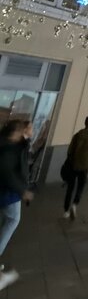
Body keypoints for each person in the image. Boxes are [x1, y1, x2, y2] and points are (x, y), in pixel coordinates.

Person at [0, 120, 33, 289]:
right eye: (27, 129)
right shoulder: (8, 149)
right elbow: (8, 173)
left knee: (8, 221)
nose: (29, 131)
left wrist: (26, 139)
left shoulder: (11, 144)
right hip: (9, 194)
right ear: (16, 132)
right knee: (13, 220)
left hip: (8, 193)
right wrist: (23, 191)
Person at [63, 115, 88, 219]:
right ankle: (75, 204)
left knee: (70, 188)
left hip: (74, 164)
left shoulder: (77, 134)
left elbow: (69, 151)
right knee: (80, 187)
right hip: (84, 165)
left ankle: (66, 211)